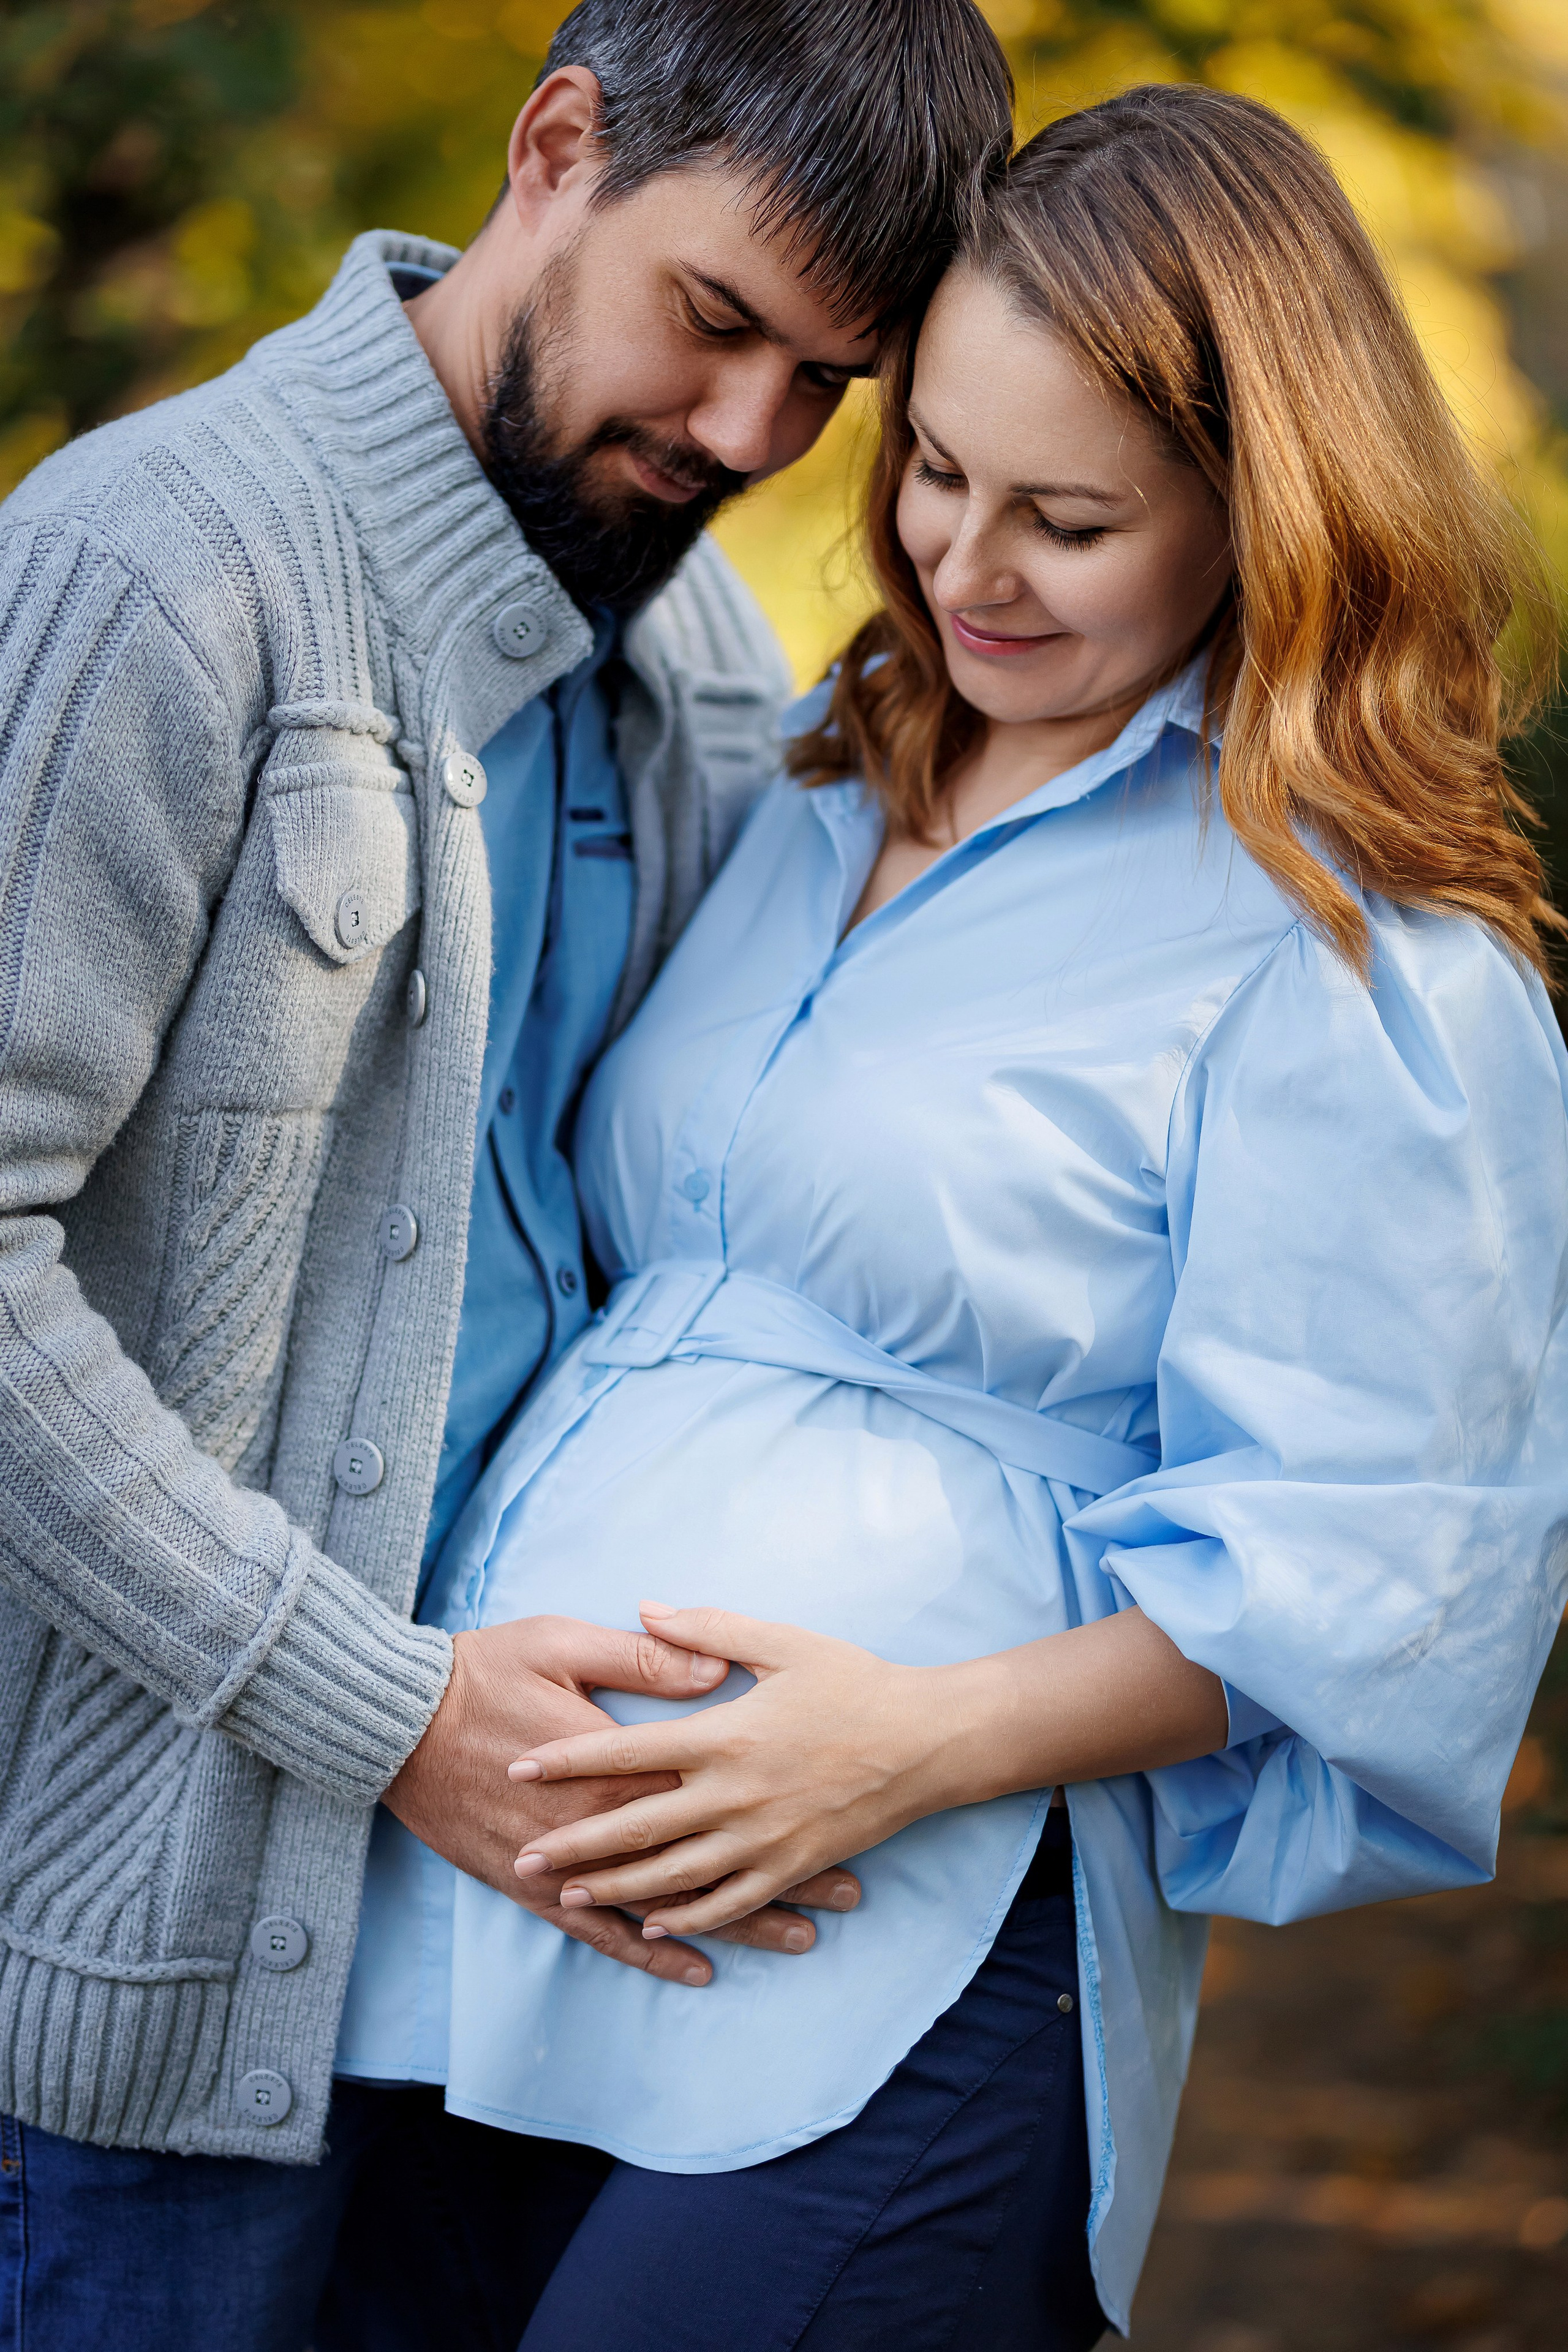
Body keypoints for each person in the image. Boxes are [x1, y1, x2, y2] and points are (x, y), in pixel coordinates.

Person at [393, 83, 1568, 2349]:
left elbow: (1385, 1559)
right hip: (503, 1904)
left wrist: (894, 1745)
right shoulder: (811, 778)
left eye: (1071, 517)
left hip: (906, 1914)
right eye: (935, 468)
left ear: (1261, 510)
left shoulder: (1351, 948)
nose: (967, 564)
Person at [0, 4, 1016, 2348]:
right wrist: (381, 1709)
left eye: (826, 388)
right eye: (718, 323)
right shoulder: (161, 568)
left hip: (513, 1971)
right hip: (134, 2012)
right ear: (556, 149)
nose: (748, 437)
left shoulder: (703, 666)